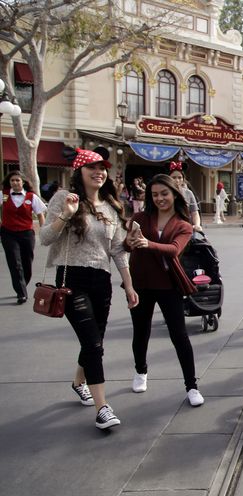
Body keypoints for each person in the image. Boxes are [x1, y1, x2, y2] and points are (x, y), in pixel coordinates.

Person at [40, 148, 139, 429]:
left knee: (95, 341)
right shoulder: (64, 198)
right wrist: (66, 215)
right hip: (71, 280)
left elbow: (119, 250)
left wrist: (129, 286)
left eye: (103, 168)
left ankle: (77, 382)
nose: (99, 172)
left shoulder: (110, 206)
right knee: (93, 344)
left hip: (101, 281)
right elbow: (45, 238)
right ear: (79, 172)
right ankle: (102, 407)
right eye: (92, 167)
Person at [124, 174, 204, 407]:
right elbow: (124, 247)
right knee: (141, 332)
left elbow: (173, 250)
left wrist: (148, 244)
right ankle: (141, 371)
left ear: (174, 194)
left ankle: (192, 386)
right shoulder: (140, 217)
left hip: (168, 285)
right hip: (140, 283)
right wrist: (129, 241)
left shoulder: (183, 224)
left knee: (179, 336)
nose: (159, 198)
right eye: (155, 194)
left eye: (164, 193)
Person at [1, 171, 47, 303]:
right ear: (9, 183)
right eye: (12, 180)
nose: (15, 183)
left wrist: (44, 231)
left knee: (27, 262)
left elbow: (40, 214)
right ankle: (21, 292)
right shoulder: (4, 195)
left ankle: (22, 284)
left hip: (26, 233)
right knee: (15, 263)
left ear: (23, 182)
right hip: (8, 233)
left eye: (17, 180)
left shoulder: (31, 196)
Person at [169, 161, 202, 232]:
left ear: (183, 179)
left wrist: (197, 224)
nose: (177, 180)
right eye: (174, 177)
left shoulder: (188, 193)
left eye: (179, 177)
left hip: (187, 229)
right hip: (170, 230)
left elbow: (194, 212)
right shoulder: (165, 193)